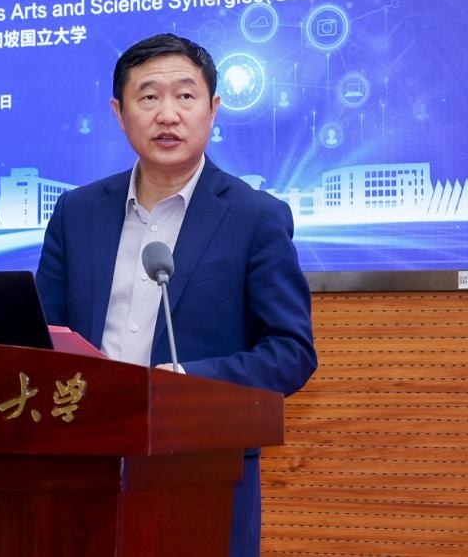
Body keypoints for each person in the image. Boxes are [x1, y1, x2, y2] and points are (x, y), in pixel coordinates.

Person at [35, 33, 317, 557]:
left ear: (213, 109)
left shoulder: (255, 217)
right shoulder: (77, 213)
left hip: (202, 475)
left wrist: (188, 382)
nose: (168, 114)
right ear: (119, 114)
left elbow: (291, 352)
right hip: (81, 470)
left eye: (185, 96)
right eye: (148, 97)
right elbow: (40, 338)